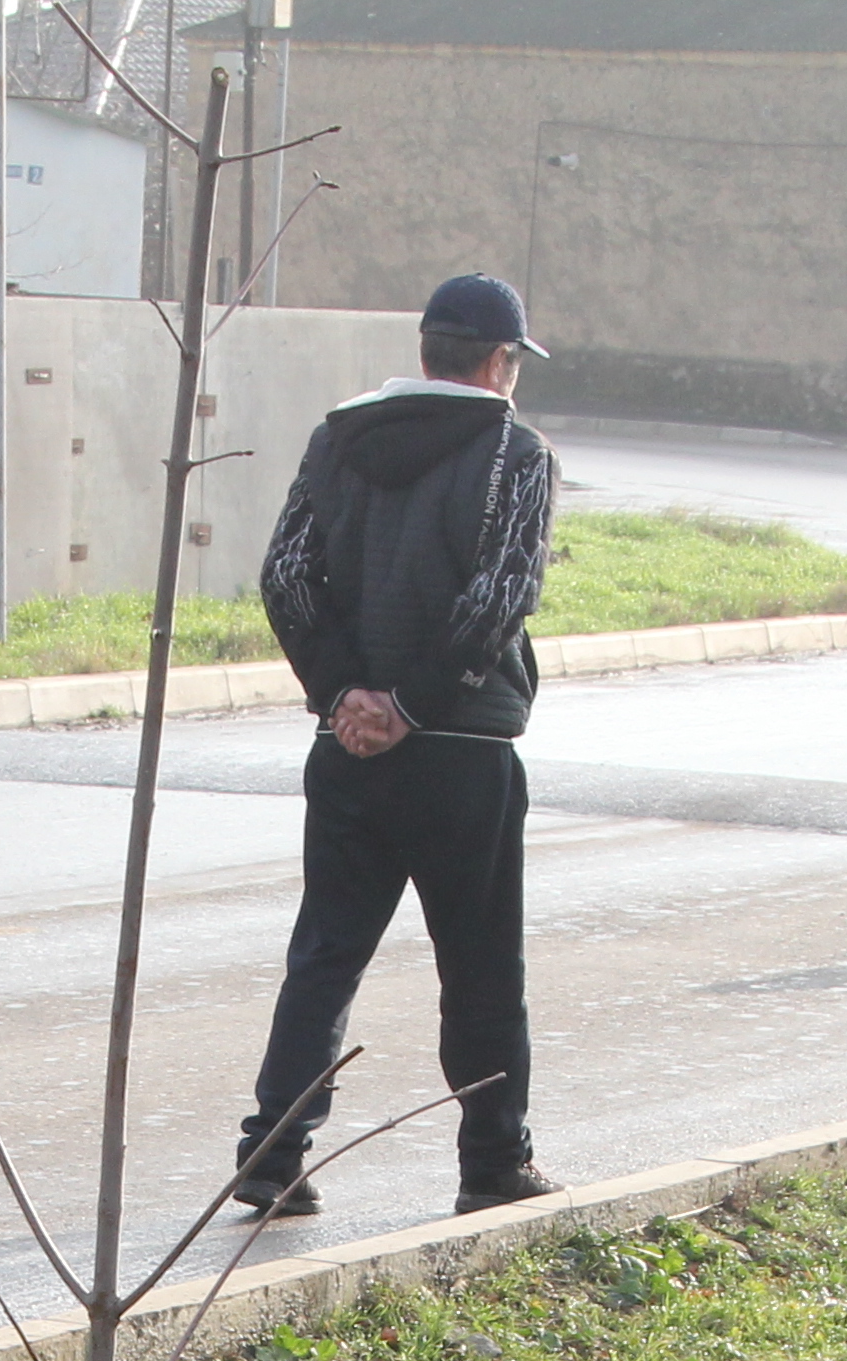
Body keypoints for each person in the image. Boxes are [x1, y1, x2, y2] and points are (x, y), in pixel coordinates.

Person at [225, 272, 563, 1223]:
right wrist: (413, 705)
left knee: (325, 956)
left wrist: (346, 697)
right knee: (483, 968)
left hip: (349, 757)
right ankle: (493, 1160)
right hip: (461, 755)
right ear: (500, 364)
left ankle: (271, 1156)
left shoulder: (338, 438)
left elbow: (287, 577)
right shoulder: (516, 453)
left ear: (425, 352)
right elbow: (498, 600)